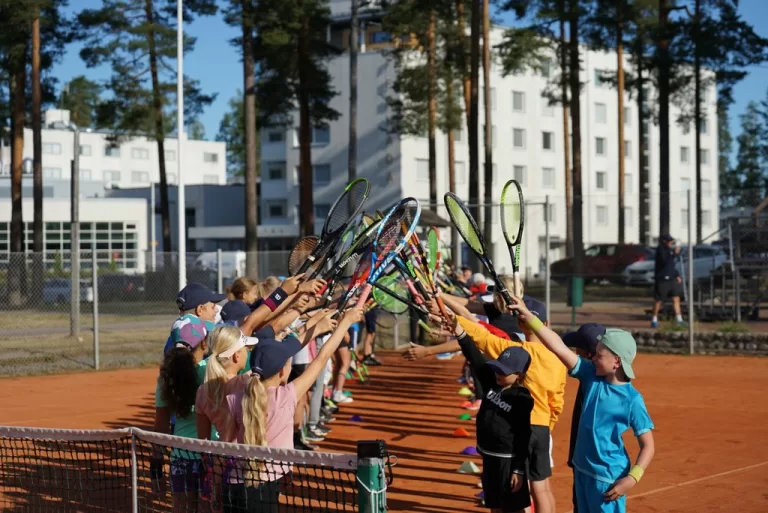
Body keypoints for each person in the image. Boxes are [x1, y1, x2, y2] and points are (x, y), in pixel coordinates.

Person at [508, 297, 655, 513]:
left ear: (616, 361)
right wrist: (530, 318)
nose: (593, 358)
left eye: (599, 355)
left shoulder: (632, 400)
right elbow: (557, 346)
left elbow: (648, 446)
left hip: (608, 480)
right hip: (582, 470)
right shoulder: (589, 375)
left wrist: (632, 478)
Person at [225, 307, 363, 512]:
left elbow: (227, 443)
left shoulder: (234, 397)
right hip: (266, 485)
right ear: (283, 371)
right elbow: (322, 358)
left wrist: (315, 324)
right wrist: (345, 323)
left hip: (231, 484)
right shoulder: (287, 396)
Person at [452, 298, 565, 513]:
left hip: (517, 432)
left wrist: (453, 320)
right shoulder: (557, 358)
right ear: (546, 324)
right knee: (542, 488)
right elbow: (557, 401)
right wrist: (549, 425)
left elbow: (482, 338)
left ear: (519, 323)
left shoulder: (513, 350)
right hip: (542, 428)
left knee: (518, 492)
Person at [153, 321, 233, 512]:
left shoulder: (165, 378)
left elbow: (161, 428)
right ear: (204, 344)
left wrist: (155, 470)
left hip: (180, 458)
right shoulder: (211, 372)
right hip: (211, 457)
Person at [456, 335, 534, 513]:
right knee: (494, 505)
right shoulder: (492, 382)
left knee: (513, 508)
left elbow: (524, 436)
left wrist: (519, 471)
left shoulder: (521, 398)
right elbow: (474, 357)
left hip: (508, 462)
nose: (499, 373)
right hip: (489, 458)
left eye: (505, 371)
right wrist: (460, 334)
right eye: (498, 368)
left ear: (519, 375)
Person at [562, 323, 604, 513]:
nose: (575, 353)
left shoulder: (589, 373)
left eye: (578, 349)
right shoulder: (596, 373)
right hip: (583, 456)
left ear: (588, 354)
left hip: (590, 459)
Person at [651, 234, 685, 328]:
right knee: (658, 301)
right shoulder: (661, 250)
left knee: (676, 298)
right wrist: (674, 254)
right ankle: (654, 319)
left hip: (671, 279)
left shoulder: (670, 251)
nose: (671, 243)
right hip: (662, 279)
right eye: (670, 241)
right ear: (664, 241)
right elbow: (665, 262)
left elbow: (671, 265)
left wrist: (676, 275)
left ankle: (679, 319)